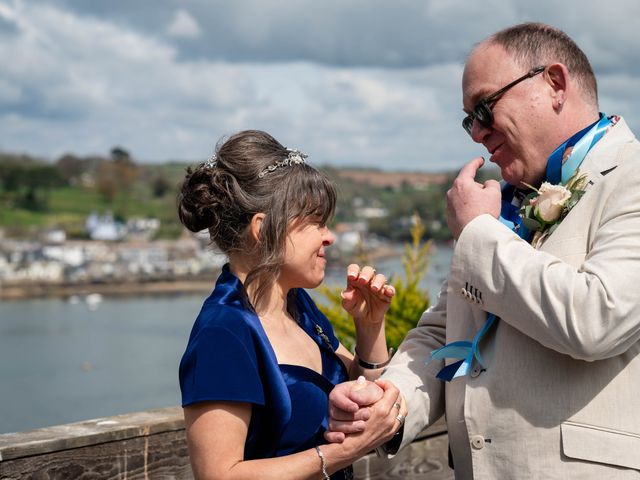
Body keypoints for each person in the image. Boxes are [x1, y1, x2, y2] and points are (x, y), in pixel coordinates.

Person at [327, 23, 640, 478]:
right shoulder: (509, 206)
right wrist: (391, 402)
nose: (477, 133)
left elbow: (597, 320)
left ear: (554, 84)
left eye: (485, 107)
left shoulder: (631, 178)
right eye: (468, 118)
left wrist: (476, 230)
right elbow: (444, 331)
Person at [177, 130, 407, 480]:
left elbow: (364, 393)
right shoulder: (223, 332)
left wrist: (370, 325)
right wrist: (345, 452)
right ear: (263, 227)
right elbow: (220, 475)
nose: (329, 236)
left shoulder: (298, 307)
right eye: (315, 221)